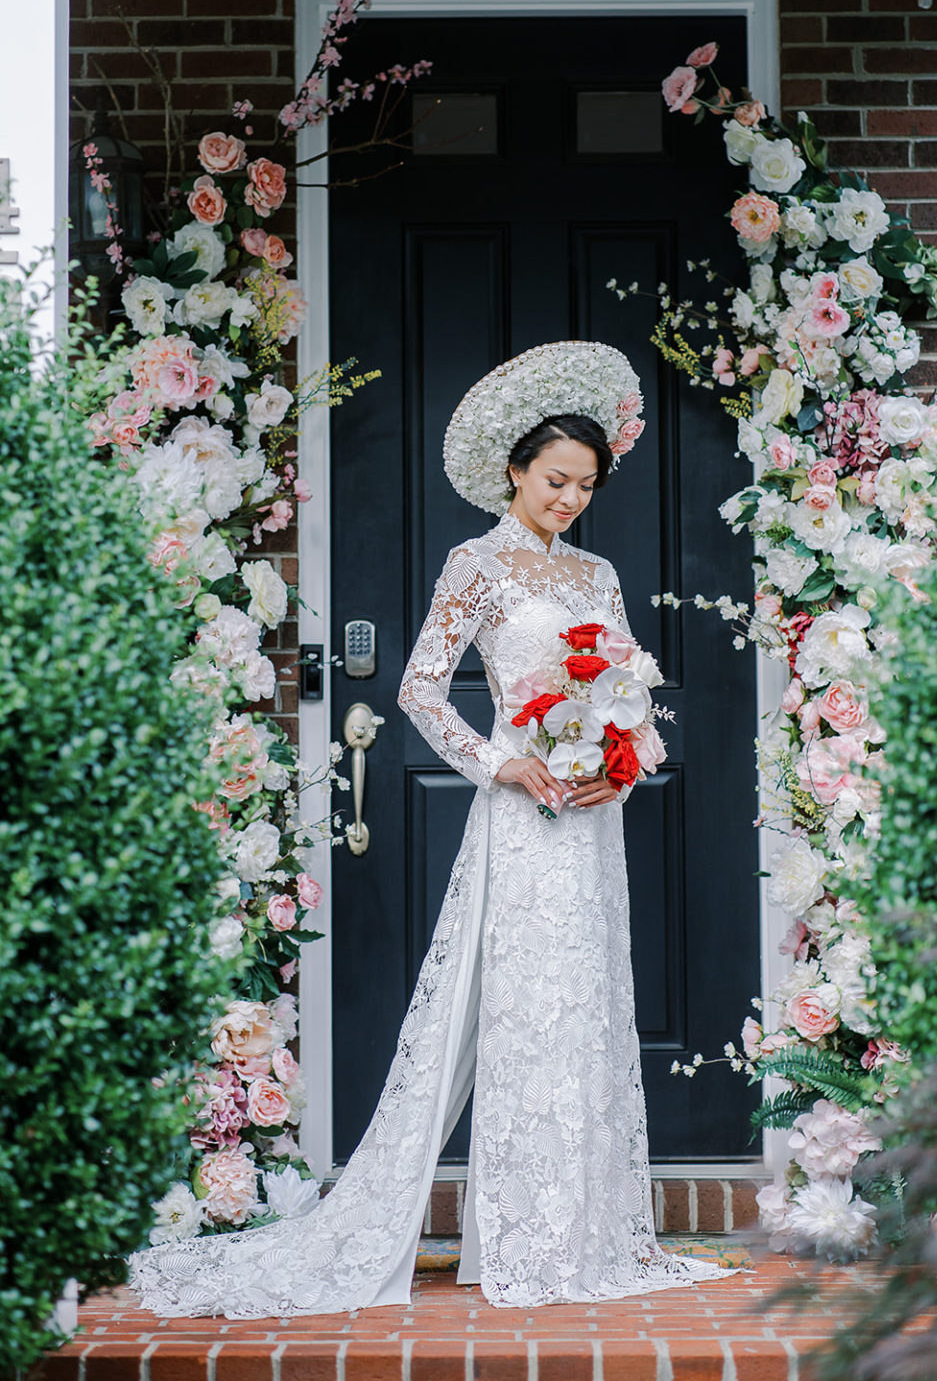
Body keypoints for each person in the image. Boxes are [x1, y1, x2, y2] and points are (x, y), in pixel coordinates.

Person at [130, 340, 735, 1320]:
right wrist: (503, 763)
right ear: (516, 471)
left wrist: (622, 764)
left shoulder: (598, 573)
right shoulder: (475, 565)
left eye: (585, 485)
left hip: (591, 823)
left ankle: (583, 1232)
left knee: (585, 1004)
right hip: (522, 816)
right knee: (525, 1008)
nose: (570, 499)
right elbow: (418, 690)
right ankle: (523, 1238)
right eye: (555, 480)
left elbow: (629, 691)